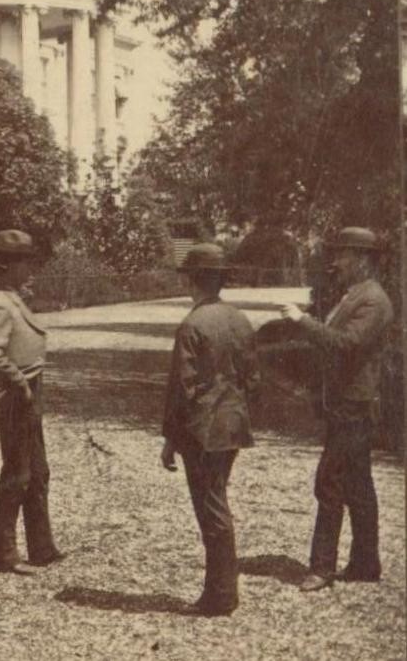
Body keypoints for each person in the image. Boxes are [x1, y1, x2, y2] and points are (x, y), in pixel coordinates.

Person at [280, 227, 393, 591]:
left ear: (361, 259)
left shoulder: (373, 301)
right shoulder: (353, 295)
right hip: (345, 404)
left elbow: (346, 344)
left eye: (342, 255)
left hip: (354, 406)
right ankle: (365, 563)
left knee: (329, 481)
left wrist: (302, 321)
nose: (336, 262)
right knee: (358, 484)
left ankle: (322, 568)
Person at [161, 243, 260, 616]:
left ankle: (221, 596)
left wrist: (171, 439)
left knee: (212, 511)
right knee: (217, 501)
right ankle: (220, 592)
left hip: (201, 431)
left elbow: (180, 390)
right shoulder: (239, 319)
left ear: (191, 280)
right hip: (232, 427)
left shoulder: (192, 325)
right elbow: (253, 380)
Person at [0, 229, 63, 574]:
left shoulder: (12, 297)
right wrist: (19, 384)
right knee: (18, 472)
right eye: (26, 261)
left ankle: (42, 547)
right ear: (7, 264)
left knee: (38, 471)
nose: (31, 268)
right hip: (13, 394)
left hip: (26, 390)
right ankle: (3, 555)